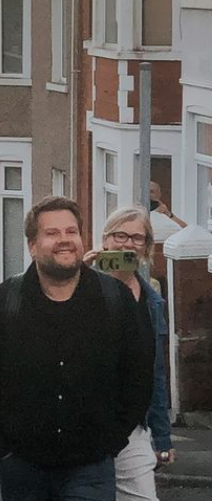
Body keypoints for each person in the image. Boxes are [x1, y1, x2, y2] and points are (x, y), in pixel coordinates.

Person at [0, 196, 154, 501]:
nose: (64, 241)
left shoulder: (115, 300)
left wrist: (111, 442)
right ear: (32, 246)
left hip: (92, 465)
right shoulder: (3, 304)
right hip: (22, 468)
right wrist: (0, 451)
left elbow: (139, 376)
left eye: (71, 232)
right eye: (52, 234)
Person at [83, 207, 173, 501]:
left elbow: (156, 374)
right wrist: (80, 274)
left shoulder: (152, 301)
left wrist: (162, 437)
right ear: (105, 241)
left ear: (146, 248)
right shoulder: (81, 286)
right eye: (120, 235)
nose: (127, 243)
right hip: (83, 420)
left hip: (133, 424)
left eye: (137, 237)